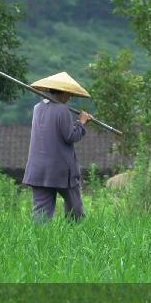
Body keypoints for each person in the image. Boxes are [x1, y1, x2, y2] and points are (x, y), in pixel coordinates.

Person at [22, 72, 94, 222]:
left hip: (38, 170)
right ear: (64, 92)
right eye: (69, 94)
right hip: (60, 171)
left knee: (41, 213)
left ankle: (40, 241)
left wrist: (78, 123)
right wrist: (81, 122)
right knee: (75, 209)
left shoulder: (37, 108)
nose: (70, 98)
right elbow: (71, 136)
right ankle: (74, 235)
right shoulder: (62, 110)